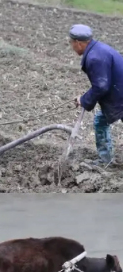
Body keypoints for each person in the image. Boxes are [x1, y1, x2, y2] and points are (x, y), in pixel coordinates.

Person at [70, 24, 123, 166]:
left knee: (100, 121)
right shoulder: (98, 49)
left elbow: (101, 86)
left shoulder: (94, 57)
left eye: (71, 43)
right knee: (101, 120)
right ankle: (105, 160)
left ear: (79, 43)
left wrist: (85, 99)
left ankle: (105, 160)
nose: (71, 46)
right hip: (119, 94)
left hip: (120, 97)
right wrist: (84, 98)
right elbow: (101, 83)